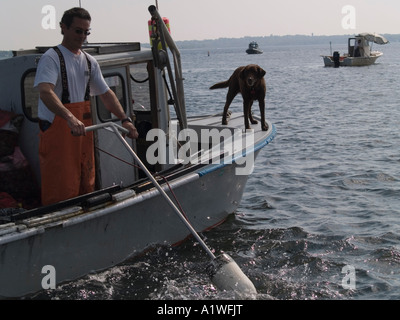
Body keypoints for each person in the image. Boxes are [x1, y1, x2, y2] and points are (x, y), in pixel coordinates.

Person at [34, 7, 138, 205]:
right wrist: (70, 117)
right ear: (63, 28)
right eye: (78, 31)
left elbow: (106, 94)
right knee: (61, 186)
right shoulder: (51, 58)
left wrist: (125, 119)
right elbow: (45, 92)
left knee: (85, 179)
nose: (82, 36)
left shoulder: (90, 62)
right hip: (59, 134)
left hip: (83, 132)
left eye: (86, 32)